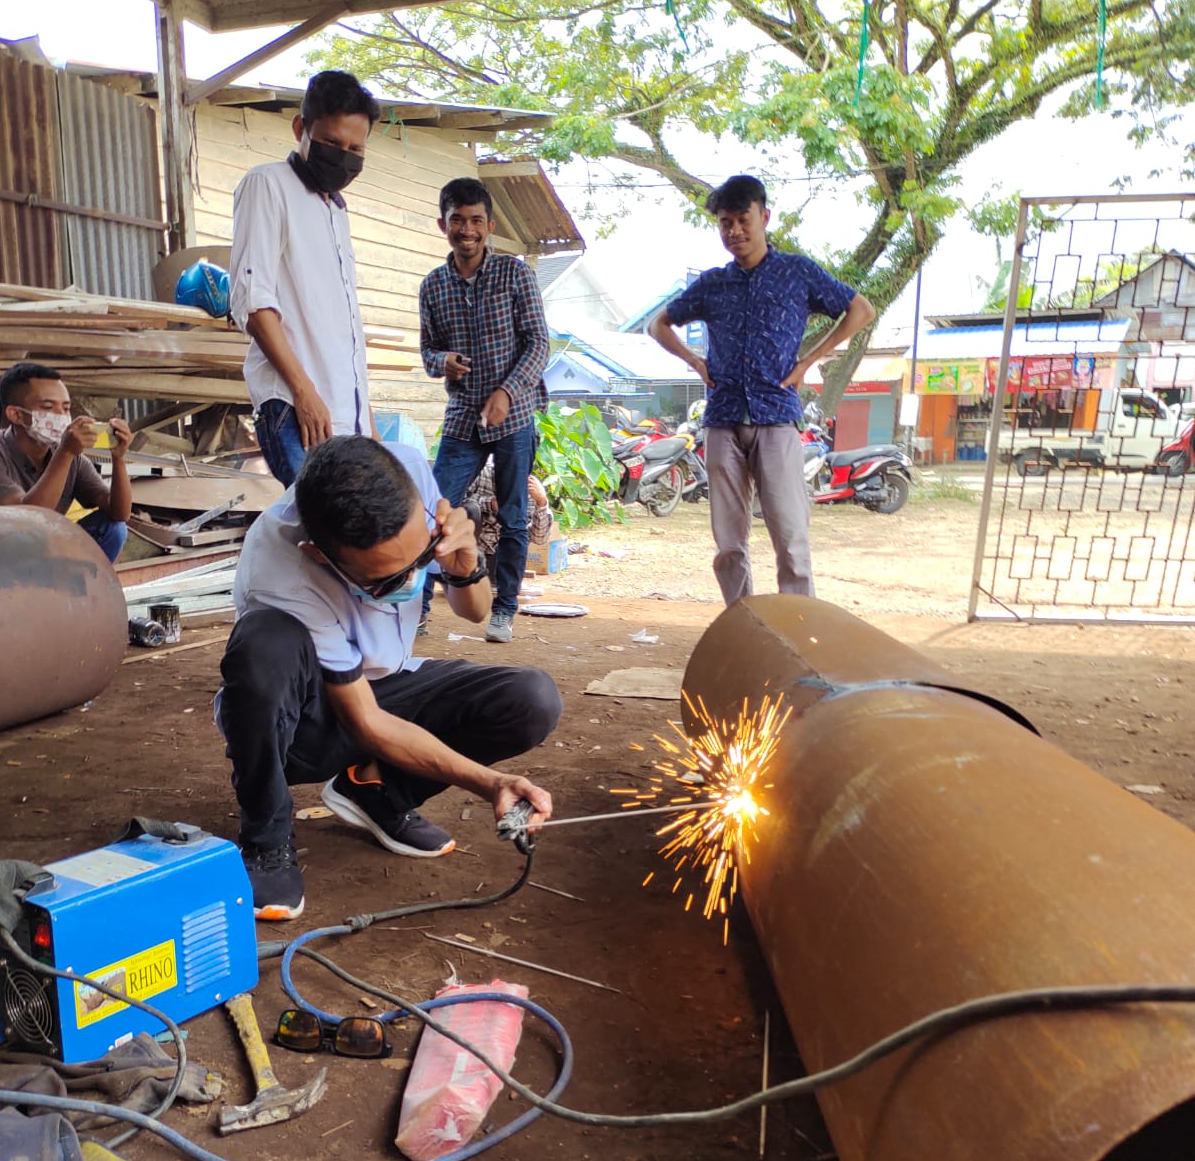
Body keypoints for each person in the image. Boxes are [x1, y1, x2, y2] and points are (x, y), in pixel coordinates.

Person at [217, 435, 562, 920]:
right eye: (386, 580)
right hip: (309, 721)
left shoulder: (406, 471)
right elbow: (366, 722)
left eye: (420, 559)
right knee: (264, 644)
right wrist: (491, 783)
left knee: (530, 699)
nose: (411, 582)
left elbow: (476, 611)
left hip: (386, 680)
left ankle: (377, 792)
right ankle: (265, 836)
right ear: (319, 555)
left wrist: (463, 565)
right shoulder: (281, 573)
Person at [647, 175, 875, 605]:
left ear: (764, 217)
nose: (734, 231)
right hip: (723, 421)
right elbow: (657, 324)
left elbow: (860, 310)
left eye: (742, 220)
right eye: (725, 223)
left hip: (777, 419)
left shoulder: (797, 272)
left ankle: (799, 627)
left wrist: (809, 361)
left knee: (790, 538)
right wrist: (695, 361)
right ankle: (741, 624)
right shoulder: (713, 283)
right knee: (729, 544)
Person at [230, 70, 382, 487]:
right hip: (295, 407)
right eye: (332, 143)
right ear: (301, 128)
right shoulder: (268, 185)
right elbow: (253, 300)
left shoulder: (337, 211)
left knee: (350, 528)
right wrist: (303, 391)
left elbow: (345, 336)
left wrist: (368, 426)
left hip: (343, 417)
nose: (343, 157)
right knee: (316, 522)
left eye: (355, 149)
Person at [419, 177, 550, 643]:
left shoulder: (516, 274)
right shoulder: (432, 286)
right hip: (462, 416)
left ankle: (504, 609)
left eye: (476, 220)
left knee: (513, 515)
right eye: (457, 220)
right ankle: (415, 608)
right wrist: (443, 362)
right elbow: (427, 352)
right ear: (443, 225)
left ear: (490, 226)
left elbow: (539, 344)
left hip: (514, 415)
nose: (467, 230)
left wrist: (508, 393)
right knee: (433, 509)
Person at [0, 362, 133, 563]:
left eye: (65, 408)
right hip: (8, 553)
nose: (61, 416)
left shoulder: (72, 458)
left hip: (44, 548)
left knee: (113, 528)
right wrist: (65, 453)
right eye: (48, 407)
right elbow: (27, 522)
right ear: (16, 414)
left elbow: (120, 513)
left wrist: (119, 458)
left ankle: (80, 581)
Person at [462, 461, 554, 585]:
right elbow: (456, 504)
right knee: (471, 509)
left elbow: (539, 538)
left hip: (501, 557)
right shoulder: (481, 473)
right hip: (473, 551)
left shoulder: (531, 487)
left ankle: (503, 582)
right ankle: (463, 575)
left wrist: (541, 501)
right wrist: (490, 503)